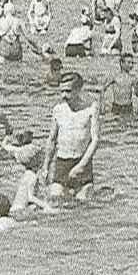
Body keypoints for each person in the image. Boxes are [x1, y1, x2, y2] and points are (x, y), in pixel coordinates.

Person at [40, 71, 99, 200]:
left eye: (67, 91)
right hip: (62, 161)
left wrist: (81, 166)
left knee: (84, 202)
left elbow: (95, 140)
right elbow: (51, 140)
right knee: (55, 200)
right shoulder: (58, 109)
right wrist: (45, 167)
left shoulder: (91, 108)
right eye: (61, 91)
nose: (63, 96)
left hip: (83, 161)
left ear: (78, 89)